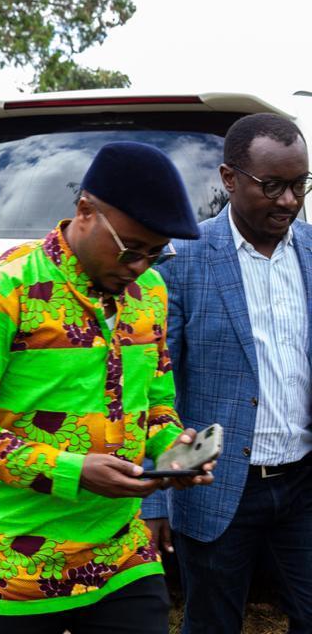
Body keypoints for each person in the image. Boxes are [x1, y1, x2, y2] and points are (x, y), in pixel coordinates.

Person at [0, 142, 216, 634]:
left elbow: (158, 403)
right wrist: (73, 471)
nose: (141, 266)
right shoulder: (4, 289)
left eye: (156, 252)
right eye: (131, 248)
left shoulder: (150, 293)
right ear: (85, 211)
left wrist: (173, 449)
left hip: (122, 553)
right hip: (18, 563)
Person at [142, 114, 312, 633]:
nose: (288, 201)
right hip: (215, 487)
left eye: (300, 185)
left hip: (304, 482)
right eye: (273, 186)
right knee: (213, 622)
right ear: (229, 178)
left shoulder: (311, 250)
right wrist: (157, 492)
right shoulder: (183, 260)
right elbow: (154, 387)